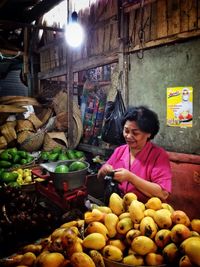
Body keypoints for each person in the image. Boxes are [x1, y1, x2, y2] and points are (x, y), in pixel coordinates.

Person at [98, 106, 172, 202]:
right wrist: (103, 170)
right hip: (118, 208)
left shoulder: (158, 155)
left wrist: (130, 178)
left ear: (149, 133)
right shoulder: (119, 151)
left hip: (146, 213)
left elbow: (163, 193)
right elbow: (100, 177)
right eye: (126, 130)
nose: (128, 136)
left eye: (135, 133)